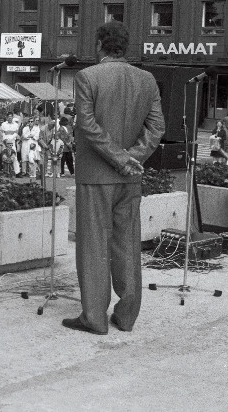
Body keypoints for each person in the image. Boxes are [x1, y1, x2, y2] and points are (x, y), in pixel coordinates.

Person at [65, 21, 164, 336]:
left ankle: (94, 317)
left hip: (96, 176)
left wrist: (120, 159)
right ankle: (126, 316)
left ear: (99, 44)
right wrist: (131, 159)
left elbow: (87, 124)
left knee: (94, 244)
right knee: (127, 244)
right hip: (130, 177)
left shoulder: (87, 77)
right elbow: (157, 127)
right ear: (126, 47)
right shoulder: (146, 79)